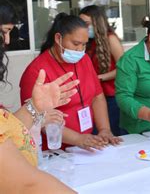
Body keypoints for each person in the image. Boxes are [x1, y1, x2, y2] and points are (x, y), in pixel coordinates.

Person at [0, 0, 77, 193]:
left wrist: (34, 108)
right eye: (3, 32)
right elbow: (27, 183)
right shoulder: (36, 68)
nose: (7, 41)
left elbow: (7, 131)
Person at [20, 13, 121, 151]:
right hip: (53, 151)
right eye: (75, 43)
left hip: (85, 145)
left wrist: (104, 129)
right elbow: (38, 119)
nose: (80, 49)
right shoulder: (36, 72)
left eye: (84, 44)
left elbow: (97, 96)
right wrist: (77, 139)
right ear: (58, 38)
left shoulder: (84, 59)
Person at [79, 5, 124, 136]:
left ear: (97, 23)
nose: (83, 27)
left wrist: (100, 77)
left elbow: (124, 69)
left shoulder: (111, 39)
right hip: (92, 96)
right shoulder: (86, 42)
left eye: (86, 24)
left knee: (112, 133)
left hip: (111, 96)